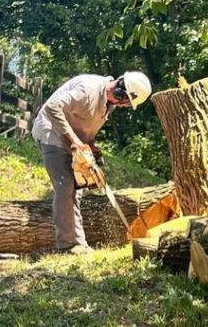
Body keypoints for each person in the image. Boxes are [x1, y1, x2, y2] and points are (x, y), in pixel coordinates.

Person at [32, 71, 152, 254]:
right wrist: (75, 141)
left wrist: (90, 145)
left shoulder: (108, 103)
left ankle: (78, 243)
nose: (124, 106)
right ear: (121, 92)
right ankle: (66, 244)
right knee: (65, 185)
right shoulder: (88, 89)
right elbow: (52, 107)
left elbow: (85, 122)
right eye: (125, 102)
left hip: (70, 137)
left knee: (76, 190)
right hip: (51, 133)